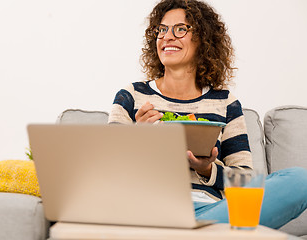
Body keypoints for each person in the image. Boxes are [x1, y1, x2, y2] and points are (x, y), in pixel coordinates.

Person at [108, 0, 307, 229]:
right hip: (148, 206)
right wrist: (137, 138)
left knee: (300, 181)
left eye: (180, 29)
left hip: (212, 213)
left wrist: (208, 169)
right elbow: (108, 172)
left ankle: (195, 232)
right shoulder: (131, 96)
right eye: (161, 29)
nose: (167, 37)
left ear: (203, 39)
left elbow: (245, 181)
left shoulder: (225, 103)